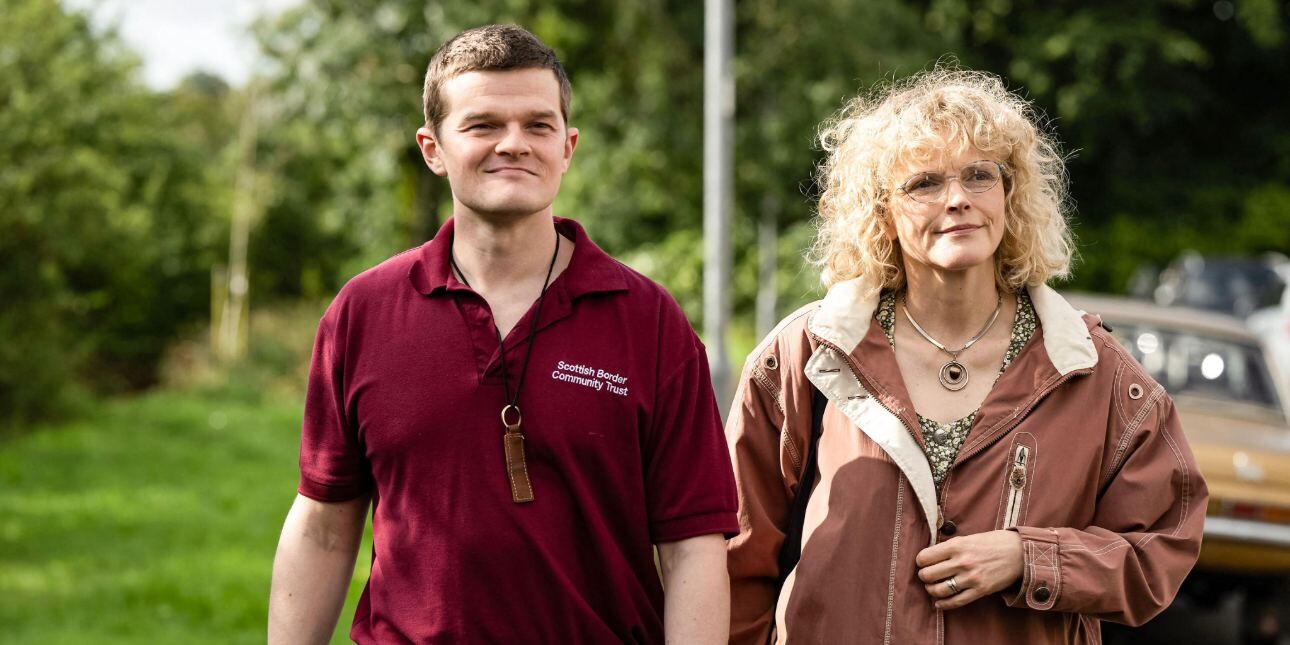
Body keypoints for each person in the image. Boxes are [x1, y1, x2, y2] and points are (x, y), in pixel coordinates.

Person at [267, 24, 737, 644]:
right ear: (432, 148)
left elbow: (693, 545)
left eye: (538, 125)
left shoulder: (648, 320)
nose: (514, 144)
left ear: (567, 147)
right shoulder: (364, 311)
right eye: (483, 125)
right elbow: (325, 525)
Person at [725, 68, 1207, 644]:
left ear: (1010, 195)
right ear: (881, 210)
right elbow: (733, 559)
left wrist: (1032, 558)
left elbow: (1163, 541)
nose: (957, 200)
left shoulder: (1092, 370)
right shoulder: (808, 354)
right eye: (924, 183)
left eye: (980, 175)